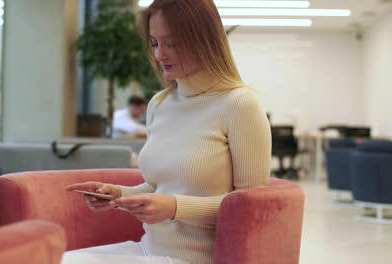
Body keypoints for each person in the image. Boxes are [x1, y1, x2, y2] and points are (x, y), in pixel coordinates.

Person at [62, 0, 271, 263]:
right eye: (154, 43)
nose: (160, 55)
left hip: (196, 258)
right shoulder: (160, 104)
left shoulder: (240, 104)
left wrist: (174, 208)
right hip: (148, 248)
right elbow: (160, 185)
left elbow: (250, 205)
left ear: (204, 41)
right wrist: (118, 194)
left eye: (171, 43)